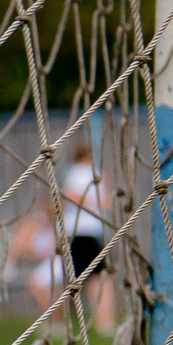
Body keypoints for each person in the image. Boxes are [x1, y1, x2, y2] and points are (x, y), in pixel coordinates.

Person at [62, 142, 116, 333]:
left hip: (86, 232)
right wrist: (96, 203)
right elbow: (72, 196)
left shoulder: (91, 173)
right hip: (82, 232)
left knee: (92, 277)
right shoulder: (81, 173)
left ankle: (100, 320)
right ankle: (101, 321)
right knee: (94, 278)